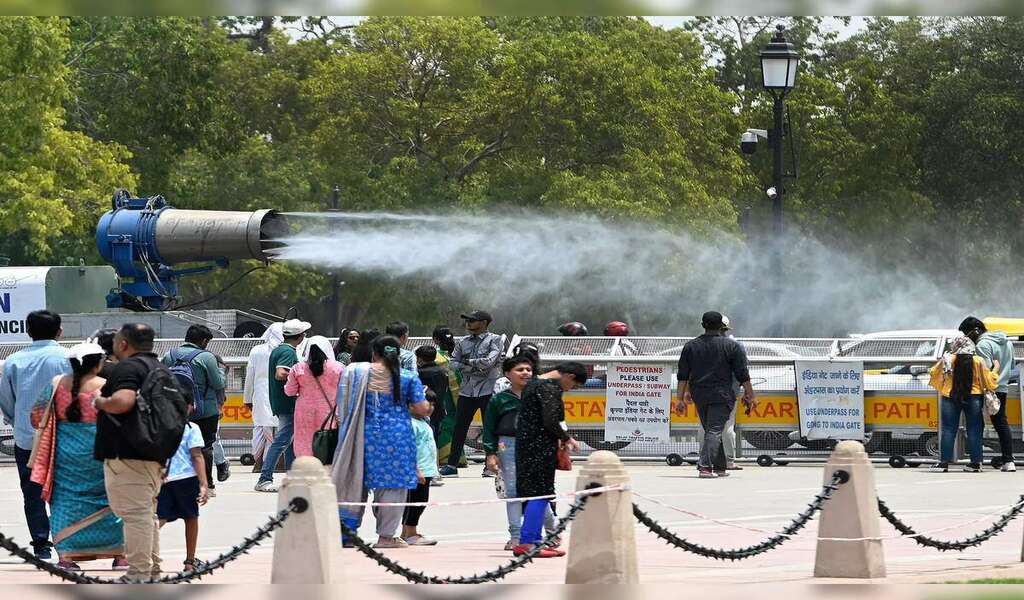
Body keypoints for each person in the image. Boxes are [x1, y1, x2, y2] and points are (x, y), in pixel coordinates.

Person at [28, 342, 127, 571]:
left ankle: (66, 557)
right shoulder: (106, 386)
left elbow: (36, 416)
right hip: (102, 451)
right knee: (111, 497)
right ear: (98, 363)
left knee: (65, 499)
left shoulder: (55, 385)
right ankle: (120, 554)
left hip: (65, 453)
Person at [94, 323, 180, 582]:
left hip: (128, 454)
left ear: (122, 344)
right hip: (153, 453)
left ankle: (139, 573)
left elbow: (123, 401)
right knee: (145, 514)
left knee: (135, 515)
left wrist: (100, 401)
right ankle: (150, 568)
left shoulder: (128, 368)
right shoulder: (160, 368)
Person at [331, 335, 431, 549]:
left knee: (354, 482)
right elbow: (422, 409)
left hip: (362, 438)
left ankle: (346, 534)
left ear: (374, 353)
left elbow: (343, 405)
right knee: (393, 487)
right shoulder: (407, 377)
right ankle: (386, 537)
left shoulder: (357, 373)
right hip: (397, 439)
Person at [0, 309, 71, 561]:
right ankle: (67, 546)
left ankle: (42, 546)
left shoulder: (13, 361)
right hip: (64, 437)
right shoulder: (69, 358)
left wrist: (18, 420)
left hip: (27, 438)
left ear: (28, 331)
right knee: (64, 492)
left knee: (32, 493)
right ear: (60, 331)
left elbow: (6, 401)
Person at [484, 356, 559, 551]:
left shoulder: (539, 395)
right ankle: (516, 536)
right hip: (507, 445)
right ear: (507, 374)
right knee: (513, 491)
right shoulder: (499, 399)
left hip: (536, 446)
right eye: (519, 369)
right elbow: (489, 428)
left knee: (539, 491)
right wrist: (490, 453)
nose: (525, 372)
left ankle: (552, 531)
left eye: (528, 369)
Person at [512, 362, 586, 557]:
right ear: (568, 376)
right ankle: (528, 542)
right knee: (541, 493)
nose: (571, 389)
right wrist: (566, 438)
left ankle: (532, 540)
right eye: (574, 385)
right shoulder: (550, 388)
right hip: (539, 447)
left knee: (532, 493)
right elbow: (550, 419)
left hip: (525, 445)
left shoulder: (533, 384)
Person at [675, 311, 756, 478]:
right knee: (714, 430)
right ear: (721, 326)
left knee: (711, 429)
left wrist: (679, 399)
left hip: (699, 394)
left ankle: (719, 466)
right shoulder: (731, 346)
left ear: (703, 325)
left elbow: (683, 375)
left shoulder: (690, 346)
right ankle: (705, 467)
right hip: (722, 395)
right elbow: (742, 373)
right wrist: (751, 395)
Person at [162, 325, 225, 494]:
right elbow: (218, 383)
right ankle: (207, 484)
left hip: (177, 409)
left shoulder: (169, 355)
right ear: (204, 341)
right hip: (205, 410)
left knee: (176, 446)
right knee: (205, 447)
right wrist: (222, 370)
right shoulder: (206, 357)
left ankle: (179, 483)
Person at [441, 311, 502, 477]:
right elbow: (453, 364)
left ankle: (490, 466)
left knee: (490, 428)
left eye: (472, 320)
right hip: (467, 392)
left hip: (488, 390)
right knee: (459, 428)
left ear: (484, 322)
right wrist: (476, 366)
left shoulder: (495, 340)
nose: (468, 323)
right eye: (467, 320)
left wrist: (466, 363)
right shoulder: (463, 342)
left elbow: (489, 362)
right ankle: (451, 466)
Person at [928, 334, 999, 472]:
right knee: (974, 430)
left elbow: (933, 372)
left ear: (955, 346)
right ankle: (975, 464)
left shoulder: (948, 359)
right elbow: (989, 380)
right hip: (974, 398)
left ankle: (943, 463)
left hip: (950, 396)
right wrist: (996, 367)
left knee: (948, 429)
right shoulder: (978, 361)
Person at [255, 318, 311, 492]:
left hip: (282, 401)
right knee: (282, 440)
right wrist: (301, 377)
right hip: (288, 402)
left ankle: (292, 477)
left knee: (289, 441)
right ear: (299, 336)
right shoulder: (288, 352)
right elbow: (281, 373)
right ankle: (264, 478)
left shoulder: (280, 349)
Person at [156, 403, 209, 572]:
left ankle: (144, 552)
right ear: (189, 407)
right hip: (187, 479)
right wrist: (204, 484)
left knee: (160, 518)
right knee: (191, 518)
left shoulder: (160, 427)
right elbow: (197, 456)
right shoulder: (191, 428)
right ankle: (190, 561)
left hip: (164, 478)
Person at [960, 316, 1017, 471]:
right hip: (1002, 387)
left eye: (967, 333)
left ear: (976, 330)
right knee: (1001, 423)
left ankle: (976, 462)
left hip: (986, 389)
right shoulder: (1007, 341)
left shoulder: (982, 344)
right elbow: (1012, 365)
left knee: (977, 423)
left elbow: (984, 370)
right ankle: (1008, 461)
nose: (967, 337)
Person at [695, 315, 742, 470]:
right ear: (725, 329)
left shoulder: (698, 345)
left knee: (706, 428)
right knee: (726, 428)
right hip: (726, 394)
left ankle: (709, 461)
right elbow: (742, 371)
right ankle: (725, 461)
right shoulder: (733, 345)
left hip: (702, 392)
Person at [285, 335, 343, 458]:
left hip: (304, 413)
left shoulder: (298, 368)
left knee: (305, 444)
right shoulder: (338, 367)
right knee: (327, 443)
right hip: (329, 412)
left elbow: (290, 391)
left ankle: (307, 470)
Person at [243, 323, 282, 473]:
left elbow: (250, 376)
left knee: (260, 428)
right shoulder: (287, 351)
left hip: (259, 394)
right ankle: (278, 462)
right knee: (280, 429)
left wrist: (247, 398)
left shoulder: (256, 350)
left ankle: (259, 462)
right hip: (280, 393)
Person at [401, 394, 439, 546]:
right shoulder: (411, 424)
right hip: (418, 471)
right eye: (426, 403)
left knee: (421, 502)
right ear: (410, 405)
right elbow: (408, 450)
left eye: (433, 404)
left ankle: (406, 533)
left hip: (427, 470)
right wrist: (415, 470)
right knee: (415, 502)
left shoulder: (424, 422)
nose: (430, 407)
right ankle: (411, 533)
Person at [431, 326, 464, 469]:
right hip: (458, 394)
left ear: (435, 340)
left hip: (441, 393)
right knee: (455, 422)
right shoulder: (457, 355)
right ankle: (459, 457)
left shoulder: (436, 357)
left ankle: (444, 457)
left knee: (443, 423)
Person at [415, 345, 449, 435]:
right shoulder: (443, 371)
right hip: (439, 411)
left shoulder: (419, 373)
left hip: (424, 412)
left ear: (419, 359)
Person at [210, 354, 231, 483]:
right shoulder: (213, 364)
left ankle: (221, 464)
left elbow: (220, 391)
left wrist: (219, 407)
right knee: (213, 439)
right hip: (209, 407)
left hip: (211, 408)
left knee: (213, 438)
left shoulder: (216, 368)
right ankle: (221, 464)